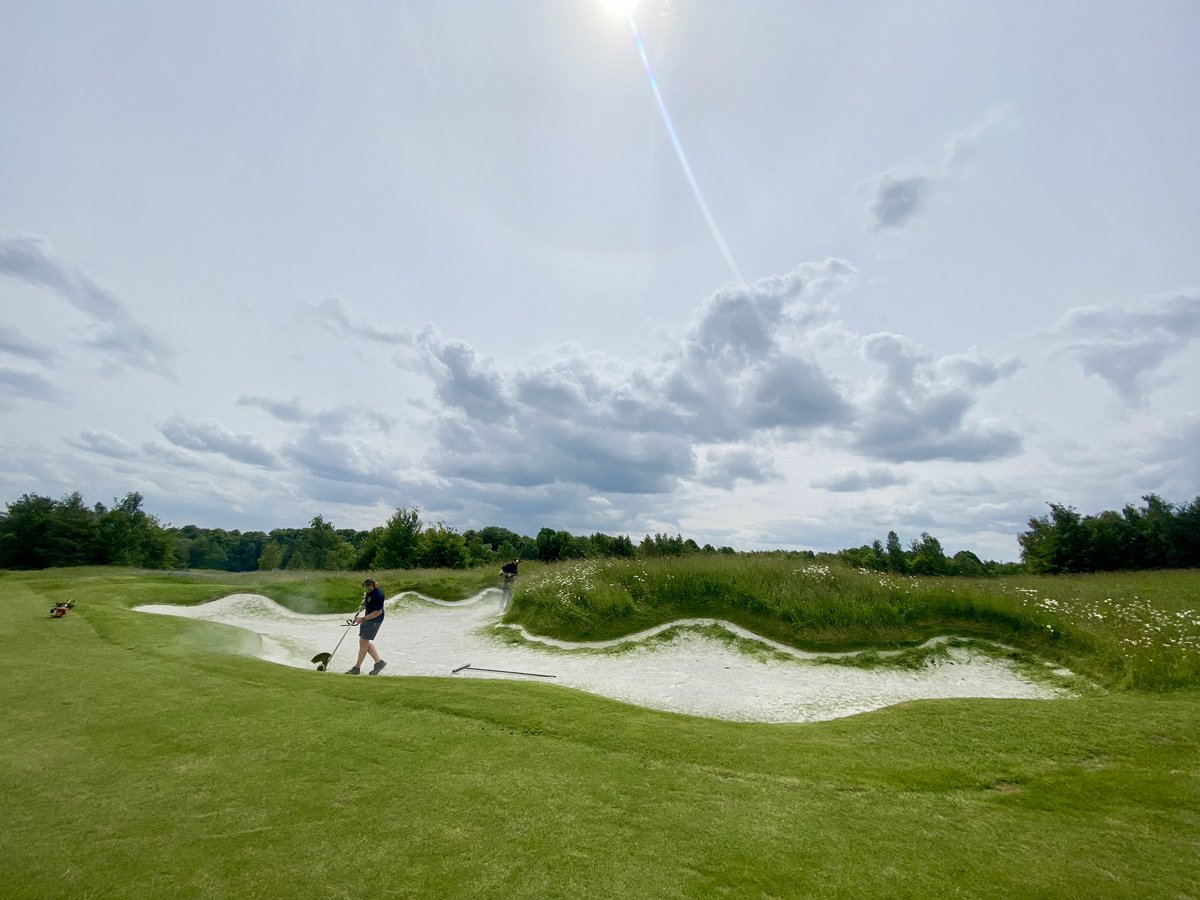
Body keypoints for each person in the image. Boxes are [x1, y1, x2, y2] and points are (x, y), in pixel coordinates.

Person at [346, 578, 387, 675]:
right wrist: (364, 604)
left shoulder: (378, 595)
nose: (367, 587)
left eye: (369, 585)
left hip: (374, 620)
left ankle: (357, 668)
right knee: (363, 641)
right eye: (366, 585)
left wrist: (362, 619)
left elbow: (378, 612)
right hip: (368, 617)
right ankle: (379, 663)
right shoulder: (369, 592)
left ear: (373, 585)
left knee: (363, 641)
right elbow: (368, 600)